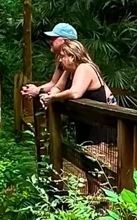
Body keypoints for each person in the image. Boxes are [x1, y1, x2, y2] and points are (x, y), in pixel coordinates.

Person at [22, 25, 116, 154]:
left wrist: (51, 97)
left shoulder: (84, 67)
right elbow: (57, 86)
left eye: (54, 38)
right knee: (86, 159)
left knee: (97, 161)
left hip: (100, 122)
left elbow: (75, 92)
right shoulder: (69, 69)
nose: (60, 59)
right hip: (85, 119)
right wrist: (46, 94)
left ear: (71, 56)